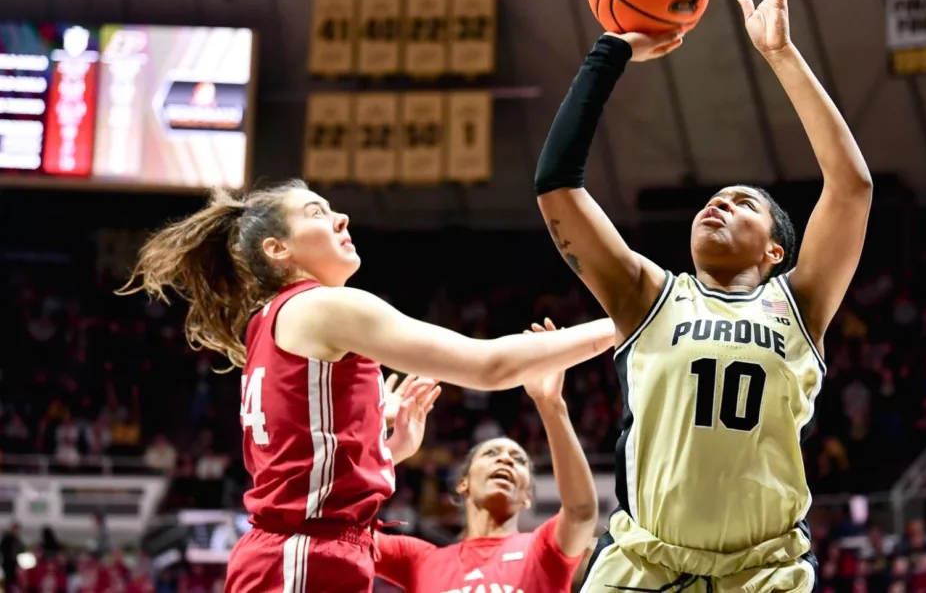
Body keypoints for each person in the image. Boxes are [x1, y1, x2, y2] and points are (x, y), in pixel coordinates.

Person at [534, 0, 872, 593]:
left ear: (774, 251)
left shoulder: (798, 303)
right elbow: (558, 186)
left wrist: (781, 54)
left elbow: (851, 188)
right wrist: (610, 53)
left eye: (743, 203)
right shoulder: (647, 295)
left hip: (762, 573)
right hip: (643, 565)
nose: (718, 201)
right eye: (713, 199)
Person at [118, 181, 615, 593]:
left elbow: (296, 465)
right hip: (303, 556)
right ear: (278, 250)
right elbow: (489, 365)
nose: (342, 219)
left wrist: (379, 449)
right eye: (318, 212)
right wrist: (629, 319)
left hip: (303, 553)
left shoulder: (269, 323)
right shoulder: (326, 307)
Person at [374, 318, 598, 593]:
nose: (505, 459)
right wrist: (378, 436)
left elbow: (582, 512)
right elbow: (337, 530)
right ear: (463, 483)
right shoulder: (419, 559)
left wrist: (551, 403)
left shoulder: (543, 549)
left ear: (527, 494)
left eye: (518, 460)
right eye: (491, 453)